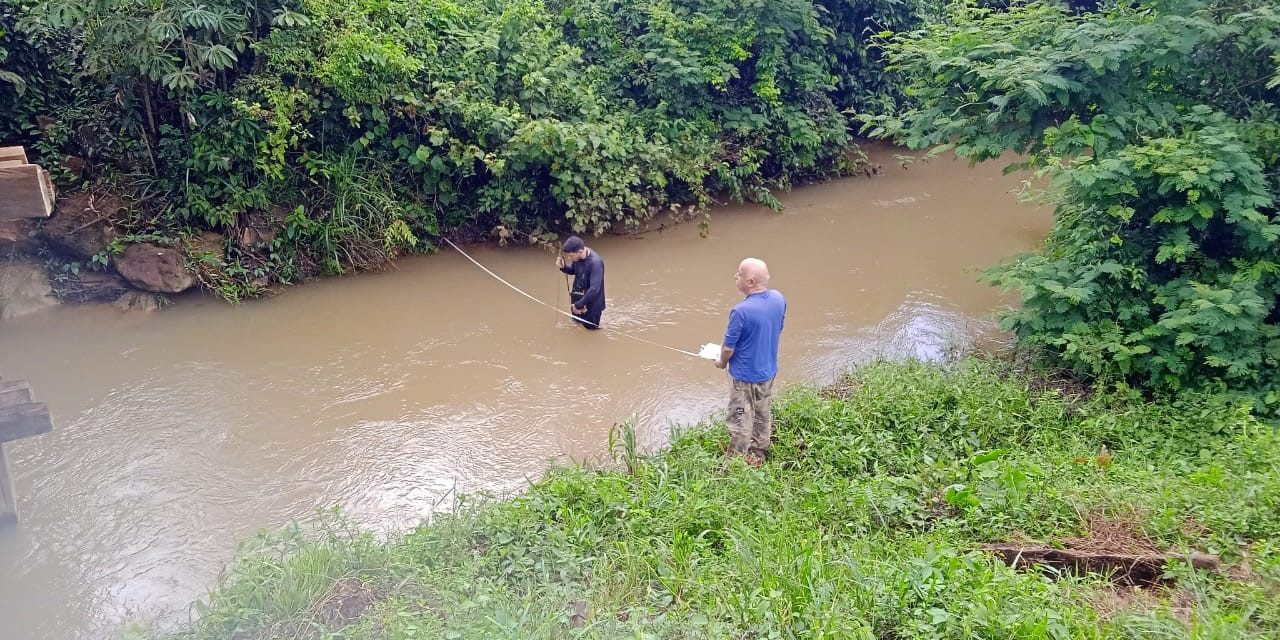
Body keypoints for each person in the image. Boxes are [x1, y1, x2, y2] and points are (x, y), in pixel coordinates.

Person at [714, 258, 786, 465]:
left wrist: (721, 363)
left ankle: (733, 463)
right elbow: (778, 328)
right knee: (762, 410)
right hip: (768, 371)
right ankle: (759, 451)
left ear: (751, 281)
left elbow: (728, 348)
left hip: (744, 377)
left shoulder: (741, 311)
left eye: (739, 274)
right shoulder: (778, 298)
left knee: (740, 415)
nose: (735, 277)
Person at [555, 236, 606, 330]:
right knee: (576, 326)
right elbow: (574, 270)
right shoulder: (577, 258)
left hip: (592, 305)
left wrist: (578, 305)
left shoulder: (595, 263)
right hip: (577, 299)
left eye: (571, 256)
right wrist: (563, 267)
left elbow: (594, 290)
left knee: (590, 332)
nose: (569, 258)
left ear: (580, 252)